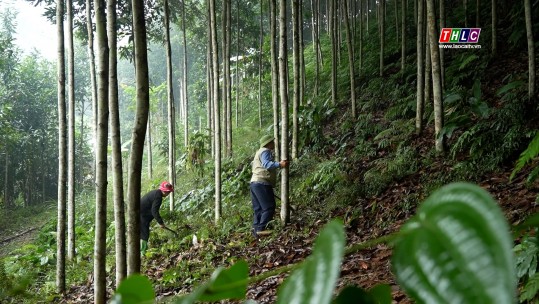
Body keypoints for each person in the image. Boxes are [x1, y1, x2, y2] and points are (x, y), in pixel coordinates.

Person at [250, 135, 289, 239]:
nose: (274, 143)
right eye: (272, 142)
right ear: (268, 143)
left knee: (258, 208)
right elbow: (267, 164)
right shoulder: (265, 151)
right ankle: (261, 229)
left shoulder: (259, 151)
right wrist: (280, 164)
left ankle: (256, 230)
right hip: (262, 182)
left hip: (254, 182)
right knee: (269, 207)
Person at [140, 181, 174, 254]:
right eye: (168, 192)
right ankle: (142, 253)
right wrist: (161, 223)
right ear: (164, 191)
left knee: (143, 233)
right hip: (141, 215)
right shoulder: (158, 197)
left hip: (142, 214)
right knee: (144, 234)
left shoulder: (155, 193)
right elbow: (154, 211)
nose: (168, 194)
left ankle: (141, 252)